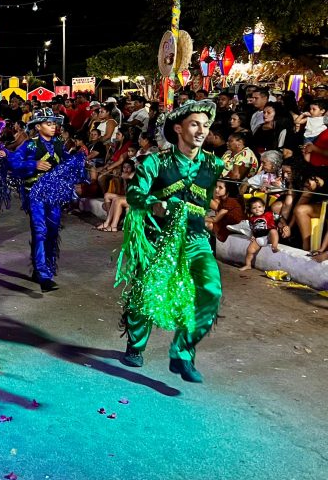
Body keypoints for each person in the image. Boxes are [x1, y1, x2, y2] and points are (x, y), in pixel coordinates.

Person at [115, 100, 224, 383]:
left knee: (211, 290)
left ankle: (183, 352)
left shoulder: (215, 164)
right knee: (145, 292)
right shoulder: (156, 161)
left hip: (196, 239)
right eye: (195, 124)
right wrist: (153, 202)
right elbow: (135, 193)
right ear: (178, 128)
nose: (202, 131)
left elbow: (206, 200)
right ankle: (136, 345)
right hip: (158, 238)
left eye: (205, 125)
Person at [10, 108, 86, 292]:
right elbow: (13, 162)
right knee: (40, 231)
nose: (53, 127)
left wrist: (78, 160)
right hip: (35, 195)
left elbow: (66, 162)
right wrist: (33, 164)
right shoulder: (30, 145)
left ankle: (44, 268)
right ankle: (43, 275)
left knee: (52, 231)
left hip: (53, 197)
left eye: (54, 124)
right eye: (48, 124)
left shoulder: (59, 144)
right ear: (38, 126)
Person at [239, 197, 279, 271]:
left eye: (259, 207)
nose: (257, 209)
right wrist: (252, 236)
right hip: (259, 238)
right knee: (250, 250)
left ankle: (274, 246)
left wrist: (284, 225)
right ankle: (248, 265)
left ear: (264, 207)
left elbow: (280, 218)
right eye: (254, 208)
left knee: (273, 231)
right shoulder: (252, 219)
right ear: (251, 210)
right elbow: (252, 229)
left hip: (268, 237)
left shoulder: (270, 214)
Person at [205, 180, 245, 245]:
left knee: (206, 224)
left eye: (220, 188)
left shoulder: (230, 201)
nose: (216, 189)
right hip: (225, 223)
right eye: (216, 187)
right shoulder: (223, 199)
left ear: (228, 189)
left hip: (232, 226)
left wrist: (200, 217)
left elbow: (215, 219)